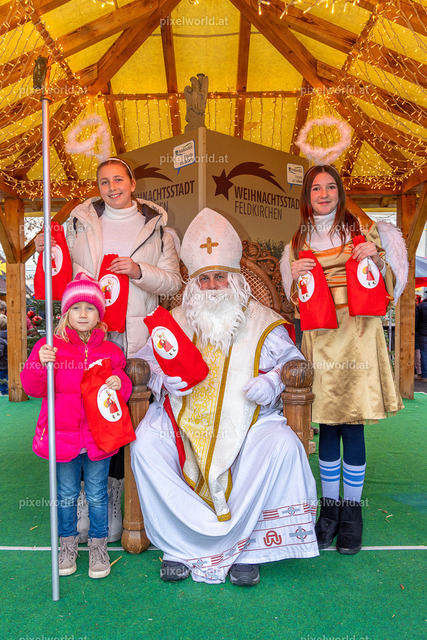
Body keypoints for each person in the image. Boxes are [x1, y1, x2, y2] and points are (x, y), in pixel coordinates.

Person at [131, 207, 319, 586]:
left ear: (234, 277)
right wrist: (162, 379)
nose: (213, 285)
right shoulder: (177, 319)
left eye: (220, 276)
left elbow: (294, 362)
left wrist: (272, 382)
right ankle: (180, 545)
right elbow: (146, 361)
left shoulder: (262, 319)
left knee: (282, 445)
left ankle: (250, 549)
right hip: (180, 417)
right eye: (204, 278)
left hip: (248, 419)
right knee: (145, 444)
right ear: (194, 283)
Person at [34, 156, 181, 542]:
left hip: (135, 342)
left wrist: (139, 271)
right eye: (104, 181)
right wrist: (46, 249)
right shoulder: (79, 224)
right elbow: (60, 271)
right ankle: (89, 500)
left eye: (118, 179)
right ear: (98, 187)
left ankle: (116, 501)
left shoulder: (159, 230)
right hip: (88, 337)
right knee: (84, 414)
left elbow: (173, 282)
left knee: (122, 418)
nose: (112, 187)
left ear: (132, 183)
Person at [280, 164, 404, 555]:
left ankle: (352, 514)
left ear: (340, 192)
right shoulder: (298, 239)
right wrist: (293, 275)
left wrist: (378, 259)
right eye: (316, 188)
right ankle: (329, 512)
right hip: (320, 335)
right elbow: (295, 301)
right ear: (307, 196)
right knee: (327, 426)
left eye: (330, 187)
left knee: (351, 425)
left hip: (357, 333)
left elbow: (389, 287)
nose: (324, 194)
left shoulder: (361, 230)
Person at [21, 274, 132, 579]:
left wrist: (119, 383)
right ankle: (67, 546)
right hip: (63, 437)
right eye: (76, 308)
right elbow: (33, 388)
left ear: (99, 315)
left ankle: (98, 547)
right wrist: (39, 362)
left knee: (97, 494)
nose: (83, 314)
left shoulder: (110, 351)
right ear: (66, 313)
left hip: (98, 438)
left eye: (90, 308)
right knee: (67, 494)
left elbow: (122, 386)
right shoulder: (50, 348)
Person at [416, 295, 427, 382]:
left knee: (424, 354)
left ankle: (425, 375)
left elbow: (416, 320)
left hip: (423, 333)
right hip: (423, 332)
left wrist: (416, 330)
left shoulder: (421, 306)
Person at [0, 314, 7, 395]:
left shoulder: (0, 338)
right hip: (6, 364)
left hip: (2, 366)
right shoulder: (8, 336)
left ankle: (5, 394)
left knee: (3, 383)